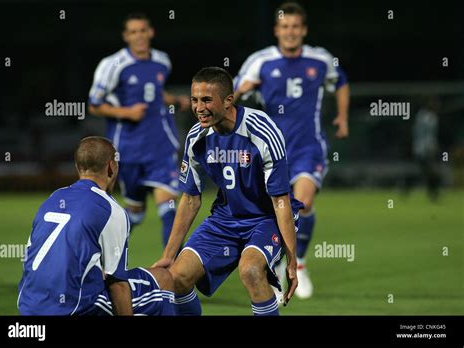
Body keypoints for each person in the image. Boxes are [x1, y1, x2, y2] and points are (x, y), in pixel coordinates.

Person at [153, 67, 304, 316]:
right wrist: (169, 255)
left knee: (251, 271)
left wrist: (291, 261)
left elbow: (280, 201)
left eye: (206, 100)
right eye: (194, 100)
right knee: (176, 279)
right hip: (225, 220)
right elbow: (190, 199)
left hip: (265, 219)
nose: (199, 107)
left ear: (228, 100)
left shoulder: (263, 131)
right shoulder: (196, 137)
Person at [233, 2, 350, 299]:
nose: (290, 32)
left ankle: (299, 264)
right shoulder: (260, 61)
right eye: (285, 27)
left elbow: (342, 83)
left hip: (309, 146)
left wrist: (342, 116)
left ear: (304, 30)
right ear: (277, 30)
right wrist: (244, 88)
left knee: (303, 204)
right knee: (274, 210)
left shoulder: (320, 59)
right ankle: (276, 263)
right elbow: (231, 94)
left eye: (296, 27)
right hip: (270, 148)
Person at [18, 136, 175, 315]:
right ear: (111, 167)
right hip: (74, 308)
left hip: (29, 306)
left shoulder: (52, 199)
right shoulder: (109, 208)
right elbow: (118, 285)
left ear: (77, 167)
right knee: (163, 278)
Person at [88, 12, 190, 246]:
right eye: (133, 32)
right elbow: (94, 104)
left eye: (143, 30)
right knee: (135, 212)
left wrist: (174, 100)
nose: (139, 36)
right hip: (128, 148)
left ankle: (173, 274)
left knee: (170, 208)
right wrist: (126, 113)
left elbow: (154, 92)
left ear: (151, 32)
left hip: (160, 145)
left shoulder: (162, 61)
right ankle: (103, 257)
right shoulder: (113, 64)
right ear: (126, 36)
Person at [412, 97, 441, 201]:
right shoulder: (432, 118)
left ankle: (432, 194)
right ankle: (433, 194)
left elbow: (416, 132)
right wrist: (433, 147)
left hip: (419, 148)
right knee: (431, 172)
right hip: (426, 149)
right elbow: (430, 135)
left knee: (427, 172)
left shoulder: (420, 115)